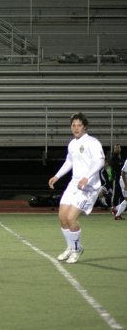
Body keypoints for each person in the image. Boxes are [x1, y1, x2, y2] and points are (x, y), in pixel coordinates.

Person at [48, 112, 105, 264]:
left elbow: (100, 161)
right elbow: (69, 162)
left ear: (85, 126)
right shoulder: (72, 144)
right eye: (73, 125)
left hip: (88, 186)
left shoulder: (92, 142)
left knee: (71, 218)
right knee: (62, 217)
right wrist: (57, 176)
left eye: (79, 125)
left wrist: (87, 177)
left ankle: (77, 249)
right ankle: (70, 247)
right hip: (74, 184)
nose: (76, 128)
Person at [109, 143, 124, 208]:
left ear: (120, 149)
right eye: (115, 148)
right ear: (114, 149)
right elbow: (115, 168)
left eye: (118, 148)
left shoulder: (123, 157)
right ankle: (114, 207)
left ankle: (121, 208)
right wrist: (121, 165)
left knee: (122, 193)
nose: (117, 149)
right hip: (116, 178)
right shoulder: (113, 158)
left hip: (123, 178)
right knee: (116, 194)